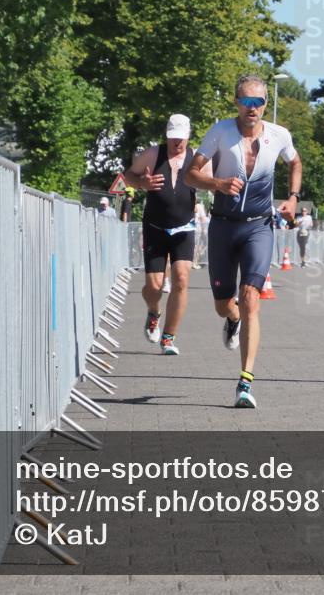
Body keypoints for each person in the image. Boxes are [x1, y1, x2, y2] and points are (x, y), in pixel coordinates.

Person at [185, 74, 301, 409]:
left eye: (259, 102)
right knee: (224, 303)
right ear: (236, 102)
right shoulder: (220, 132)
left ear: (265, 103)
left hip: (258, 227)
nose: (253, 108)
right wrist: (217, 184)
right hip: (222, 226)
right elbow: (191, 174)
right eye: (246, 102)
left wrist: (293, 198)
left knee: (251, 296)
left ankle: (245, 382)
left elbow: (294, 162)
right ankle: (231, 320)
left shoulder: (279, 135)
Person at [124, 114, 209, 356]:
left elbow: (212, 181)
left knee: (181, 279)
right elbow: (128, 176)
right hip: (155, 227)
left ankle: (169, 337)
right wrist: (143, 183)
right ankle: (154, 312)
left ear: (188, 136)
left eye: (181, 138)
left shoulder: (196, 158)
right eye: (173, 138)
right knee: (154, 287)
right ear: (166, 135)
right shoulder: (153, 153)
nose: (177, 143)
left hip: (184, 227)